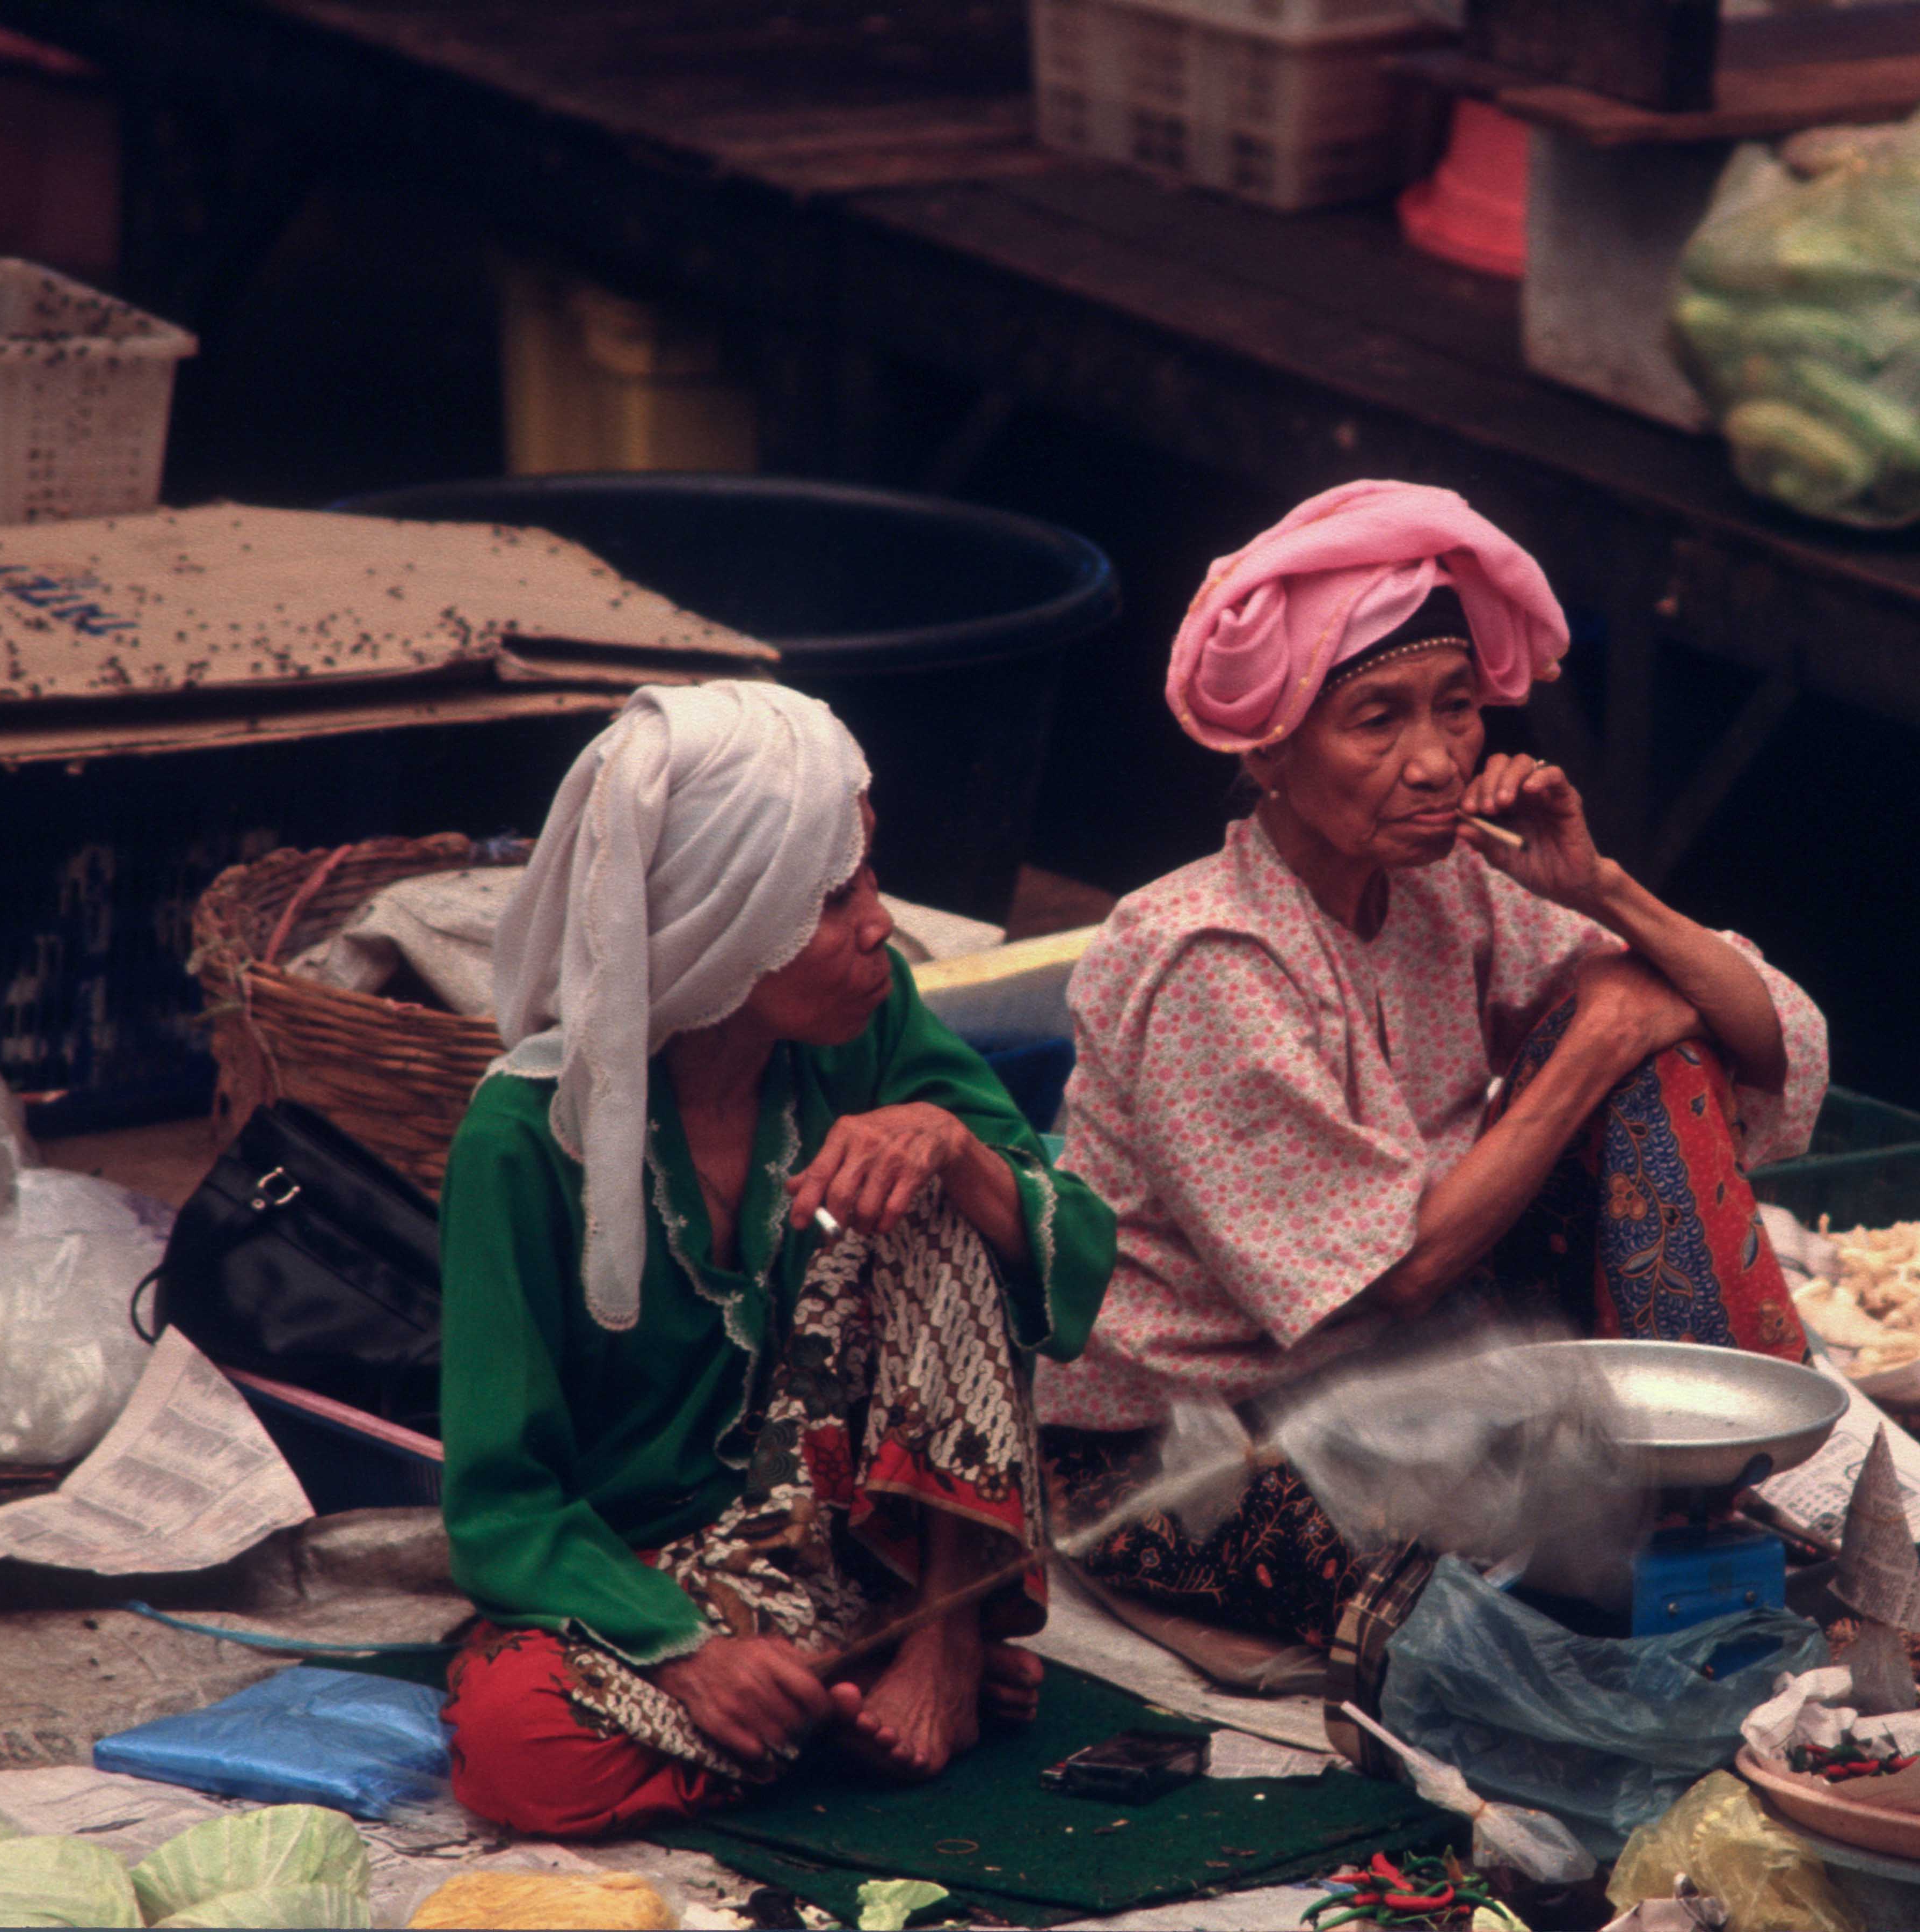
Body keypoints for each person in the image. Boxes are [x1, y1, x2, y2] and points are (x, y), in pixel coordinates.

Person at [1035, 480, 1829, 1658]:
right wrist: (1595, 1039)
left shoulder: (1451, 880)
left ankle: (1697, 1476)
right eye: (1377, 721)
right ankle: (1655, 1516)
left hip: (1412, 1381)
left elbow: (1771, 1035)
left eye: (1455, 711)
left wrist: (1599, 890)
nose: (1434, 762)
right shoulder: (1202, 954)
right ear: (1269, 749)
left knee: (1665, 1059)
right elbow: (1382, 1279)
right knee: (1499, 1607)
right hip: (1188, 1440)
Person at [435, 682, 1115, 1839]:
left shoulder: (872, 1021)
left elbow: (1075, 1253)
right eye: (832, 896)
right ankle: (836, 1686)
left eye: (870, 877)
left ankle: (943, 1636)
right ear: (717, 921)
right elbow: (501, 1502)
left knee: (943, 1178)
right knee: (521, 1755)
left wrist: (949, 1146)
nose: (880, 926)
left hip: (860, 1523)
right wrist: (686, 1652)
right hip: (661, 1573)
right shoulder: (519, 1142)